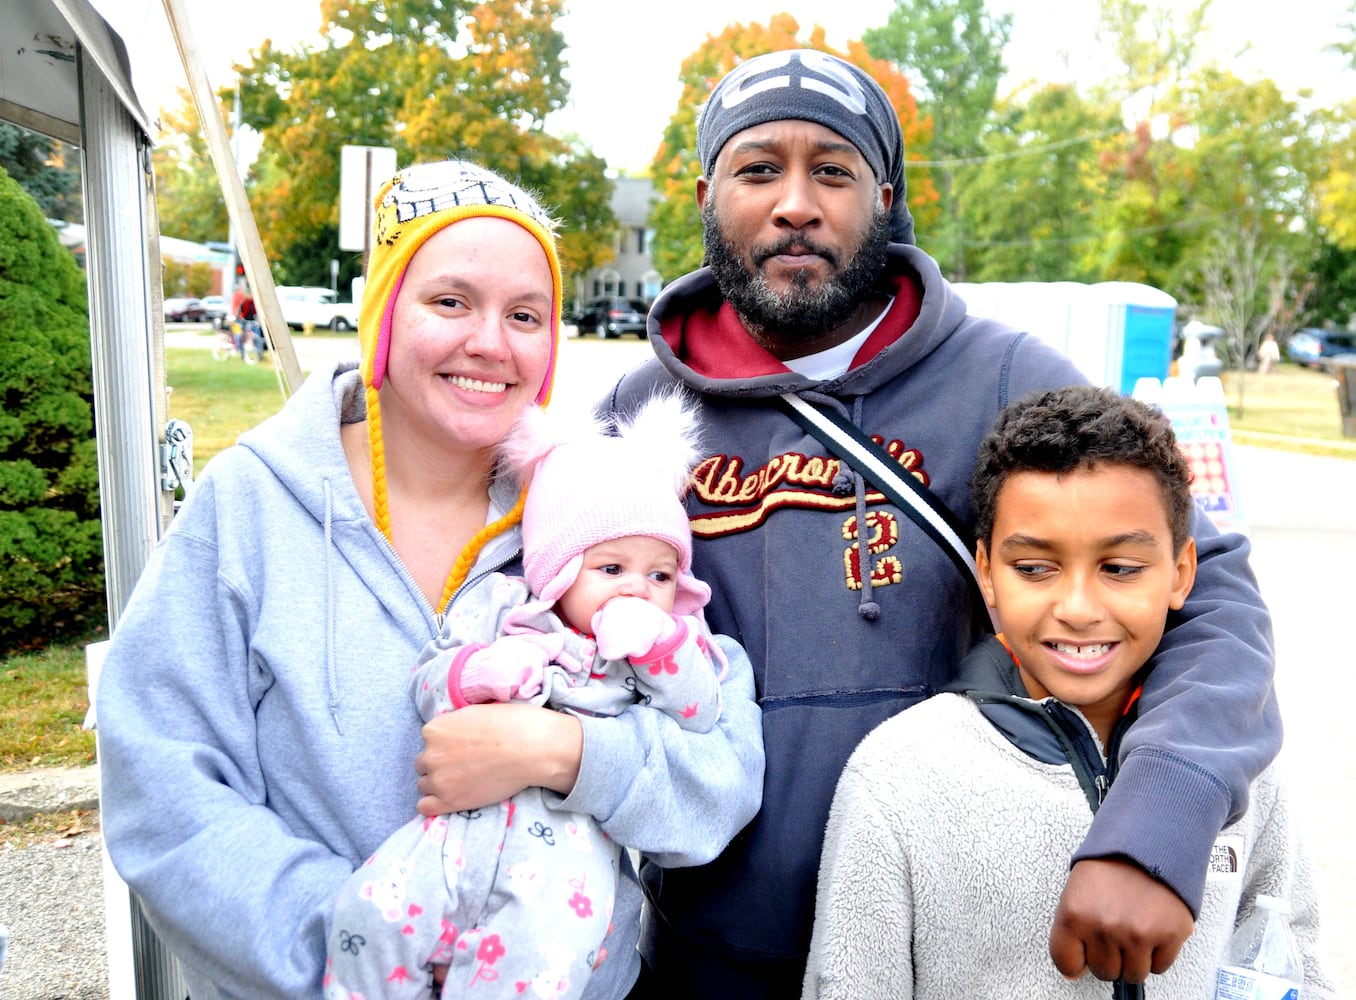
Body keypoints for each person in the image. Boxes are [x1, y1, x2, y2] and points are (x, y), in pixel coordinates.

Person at [602, 49, 1280, 997]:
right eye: (759, 169)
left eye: (832, 171)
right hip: (702, 963)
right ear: (708, 192)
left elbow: (1209, 592)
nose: (796, 202)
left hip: (967, 959)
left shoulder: (1003, 379)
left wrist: (1160, 818)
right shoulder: (638, 413)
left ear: (884, 196)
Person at [96, 158, 763, 1000]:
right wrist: (362, 947)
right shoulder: (251, 506)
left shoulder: (590, 520)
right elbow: (165, 790)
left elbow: (721, 778)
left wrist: (570, 751)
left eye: (526, 314)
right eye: (451, 301)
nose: (490, 342)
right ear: (382, 312)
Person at [801, 384, 1335, 998]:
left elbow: (1292, 959)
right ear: (987, 574)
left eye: (1120, 569)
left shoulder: (1240, 775)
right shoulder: (897, 779)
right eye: (1034, 568)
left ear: (1182, 573)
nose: (1078, 609)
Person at [324, 392, 745, 998]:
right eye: (610, 568)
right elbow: (428, 682)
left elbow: (701, 711)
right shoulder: (501, 607)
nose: (639, 587)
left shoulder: (660, 650)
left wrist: (661, 648)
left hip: (562, 866)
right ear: (556, 567)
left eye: (660, 574)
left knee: (532, 968)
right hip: (451, 837)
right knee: (366, 917)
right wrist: (476, 673)